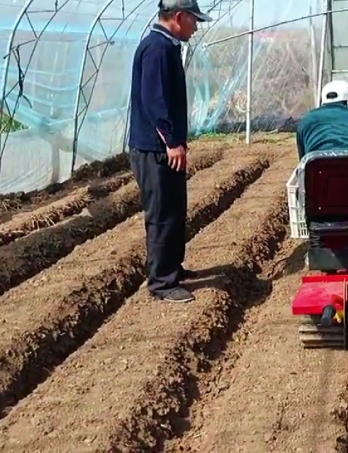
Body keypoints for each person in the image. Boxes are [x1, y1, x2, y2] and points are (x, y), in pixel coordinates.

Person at [127, 0, 211, 303]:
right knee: (162, 214)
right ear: (178, 17)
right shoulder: (158, 49)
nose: (197, 26)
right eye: (194, 20)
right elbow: (154, 101)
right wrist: (171, 142)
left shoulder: (166, 47)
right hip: (155, 150)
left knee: (175, 210)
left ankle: (172, 268)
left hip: (164, 148)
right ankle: (161, 282)